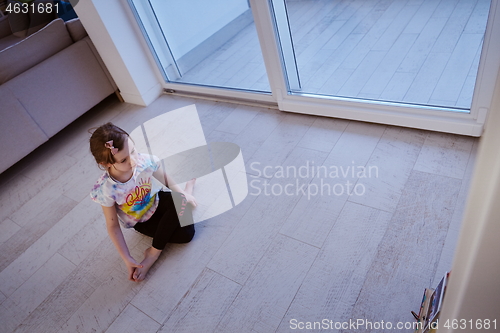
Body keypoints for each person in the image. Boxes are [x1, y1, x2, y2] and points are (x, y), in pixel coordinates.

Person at [89, 122, 196, 282]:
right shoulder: (107, 189)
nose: (133, 161)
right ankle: (153, 253)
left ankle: (187, 194)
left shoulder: (144, 161)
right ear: (106, 164)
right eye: (124, 159)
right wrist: (127, 258)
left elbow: (165, 178)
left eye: (133, 151)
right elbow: (112, 226)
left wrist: (182, 194)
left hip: (158, 201)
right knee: (184, 235)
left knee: (184, 217)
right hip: (142, 221)